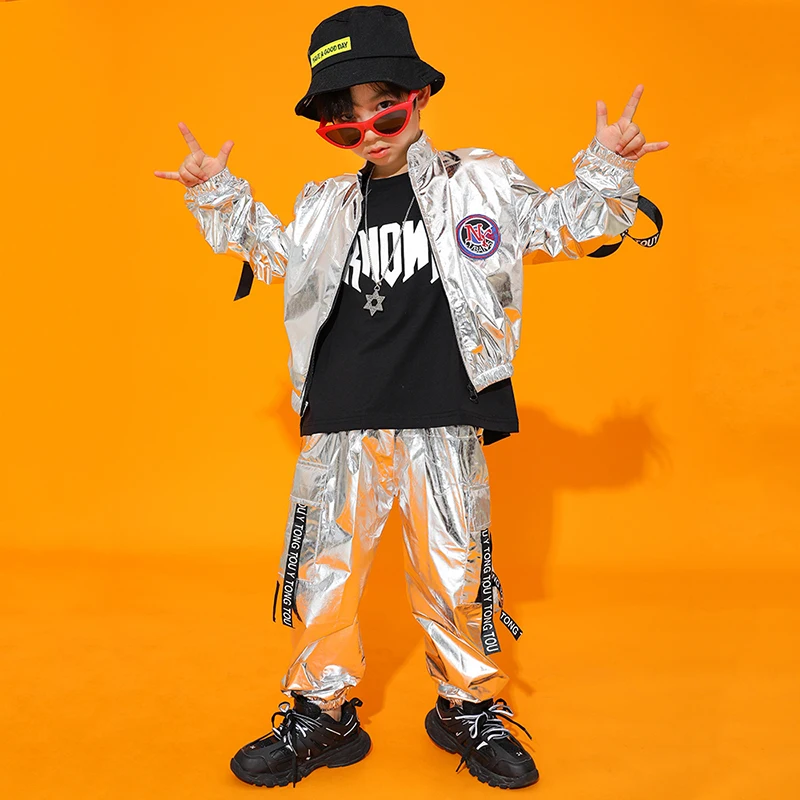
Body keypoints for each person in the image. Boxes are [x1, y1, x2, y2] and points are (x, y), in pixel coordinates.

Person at [155, 4, 668, 790]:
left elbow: (557, 225)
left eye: (385, 109)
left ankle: (465, 707)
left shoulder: (481, 182)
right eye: (345, 123)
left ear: (419, 98)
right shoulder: (324, 205)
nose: (369, 131)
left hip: (444, 415)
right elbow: (273, 254)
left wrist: (606, 165)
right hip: (342, 421)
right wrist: (218, 194)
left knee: (454, 575)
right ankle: (322, 715)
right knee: (324, 578)